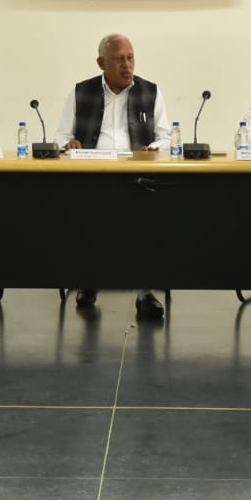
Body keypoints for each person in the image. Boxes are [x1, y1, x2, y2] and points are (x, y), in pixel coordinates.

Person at [56, 33, 170, 321]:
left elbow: (166, 137)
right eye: (119, 59)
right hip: (93, 174)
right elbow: (61, 136)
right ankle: (89, 281)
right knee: (92, 224)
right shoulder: (81, 91)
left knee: (144, 228)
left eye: (130, 58)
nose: (127, 65)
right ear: (101, 63)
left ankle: (145, 292)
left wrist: (153, 149)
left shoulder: (150, 91)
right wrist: (69, 145)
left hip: (139, 176)